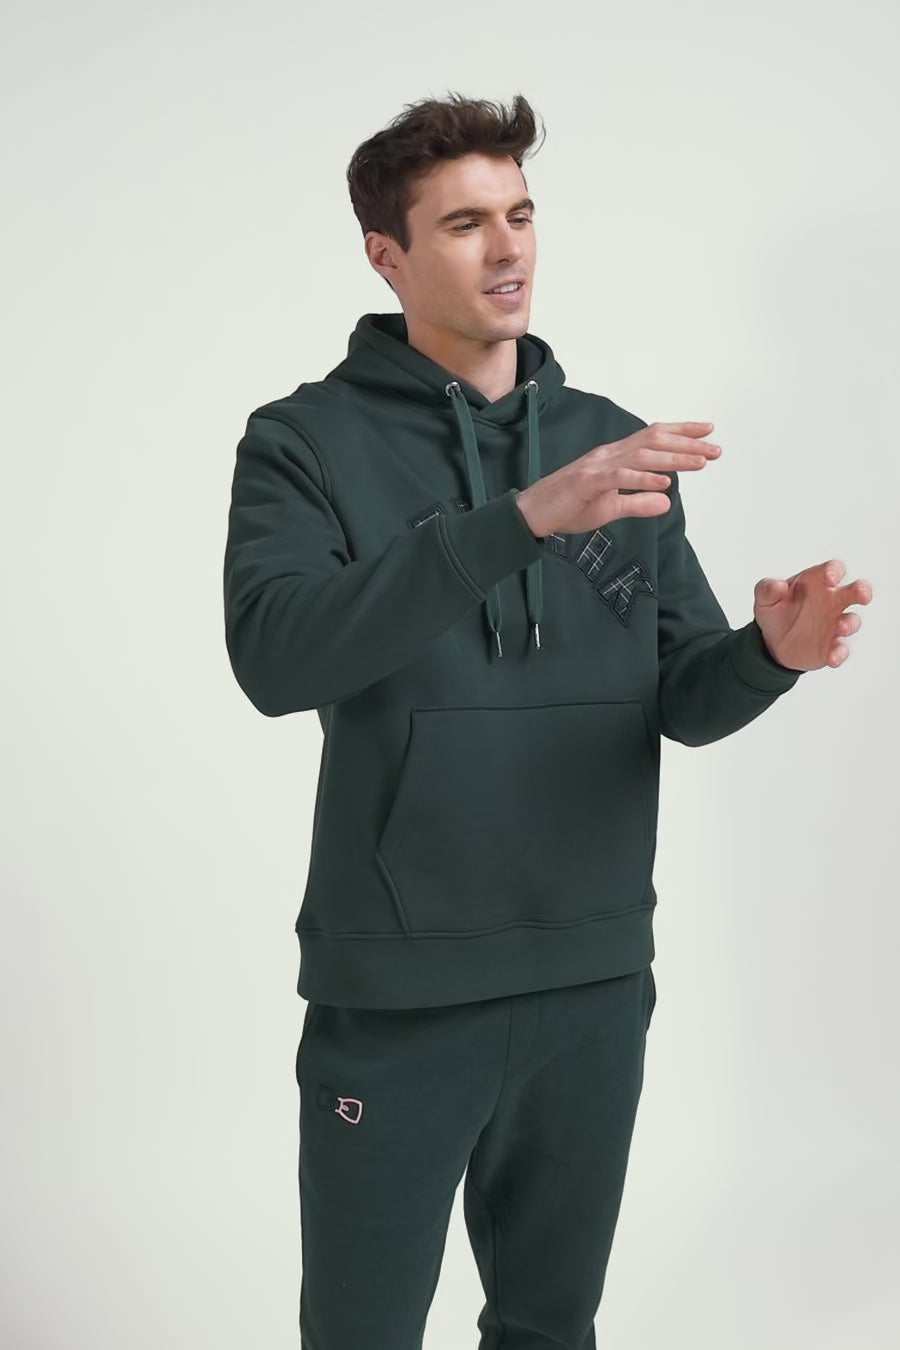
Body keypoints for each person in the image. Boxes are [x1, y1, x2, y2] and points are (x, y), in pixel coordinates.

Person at [222, 92, 873, 1350]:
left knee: (552, 1331)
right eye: (465, 223)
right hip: (403, 987)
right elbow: (276, 657)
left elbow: (682, 698)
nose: (507, 247)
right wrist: (517, 521)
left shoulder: (607, 444)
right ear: (386, 255)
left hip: (593, 979)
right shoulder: (305, 443)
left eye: (520, 214)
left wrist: (768, 657)